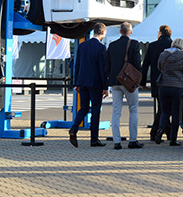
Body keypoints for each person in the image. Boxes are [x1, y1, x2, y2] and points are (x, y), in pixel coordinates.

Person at [69, 23, 109, 148]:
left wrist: (76, 82)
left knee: (84, 108)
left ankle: (74, 128)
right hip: (95, 83)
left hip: (82, 82)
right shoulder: (101, 48)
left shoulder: (82, 46)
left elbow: (77, 65)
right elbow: (103, 69)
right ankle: (94, 139)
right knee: (95, 110)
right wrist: (105, 86)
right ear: (103, 32)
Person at [105, 22, 144, 150]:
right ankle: (133, 140)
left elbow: (107, 65)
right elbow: (137, 64)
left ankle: (117, 142)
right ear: (130, 32)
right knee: (133, 109)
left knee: (116, 111)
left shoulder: (112, 45)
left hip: (115, 81)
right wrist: (139, 80)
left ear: (120, 31)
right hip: (129, 82)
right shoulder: (134, 44)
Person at [155, 38, 183, 146]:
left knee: (164, 112)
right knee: (176, 114)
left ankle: (161, 129)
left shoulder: (163, 54)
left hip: (163, 86)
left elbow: (159, 67)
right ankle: (173, 140)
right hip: (178, 87)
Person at [141, 25, 173, 141]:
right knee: (165, 108)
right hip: (171, 82)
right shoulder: (173, 46)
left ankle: (157, 132)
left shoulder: (152, 46)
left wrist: (143, 82)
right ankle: (163, 132)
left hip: (157, 81)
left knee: (163, 108)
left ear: (160, 34)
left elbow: (145, 65)